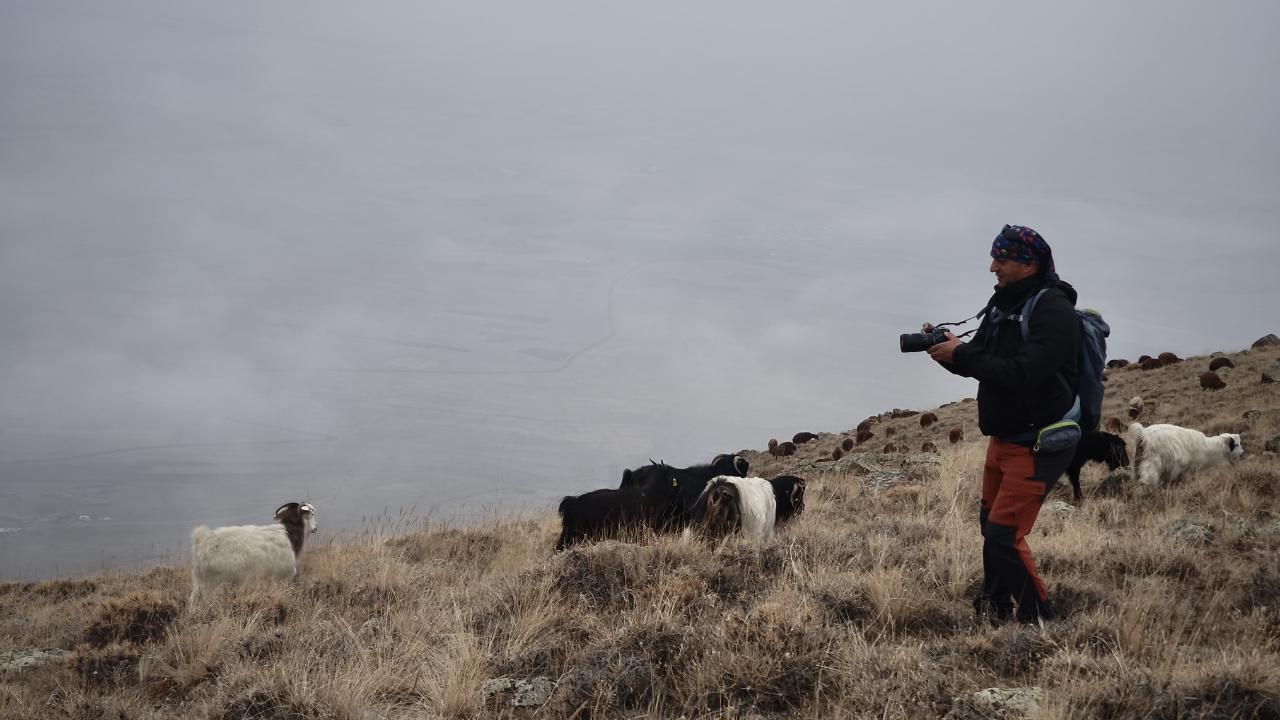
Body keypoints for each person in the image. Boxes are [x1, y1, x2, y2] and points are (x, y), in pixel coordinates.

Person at [926, 224, 1081, 624]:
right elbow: (982, 361)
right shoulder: (1003, 304)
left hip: (1038, 445)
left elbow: (1026, 373)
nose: (992, 267)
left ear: (1028, 264)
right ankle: (995, 605)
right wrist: (951, 353)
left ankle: (1039, 620)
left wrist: (966, 357)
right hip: (1004, 439)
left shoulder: (1053, 311)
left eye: (1001, 259)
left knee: (1003, 535)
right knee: (990, 524)